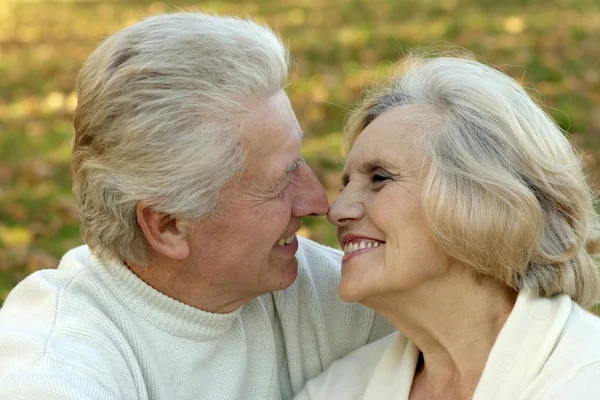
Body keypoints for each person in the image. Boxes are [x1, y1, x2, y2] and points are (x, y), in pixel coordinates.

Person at [0, 12, 394, 399]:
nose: (318, 202)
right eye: (279, 180)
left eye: (300, 159)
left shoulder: (324, 295)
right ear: (169, 225)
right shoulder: (55, 356)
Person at [295, 54, 600, 400]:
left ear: (483, 197)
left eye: (379, 178)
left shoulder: (586, 376)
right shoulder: (337, 390)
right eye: (345, 185)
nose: (337, 211)